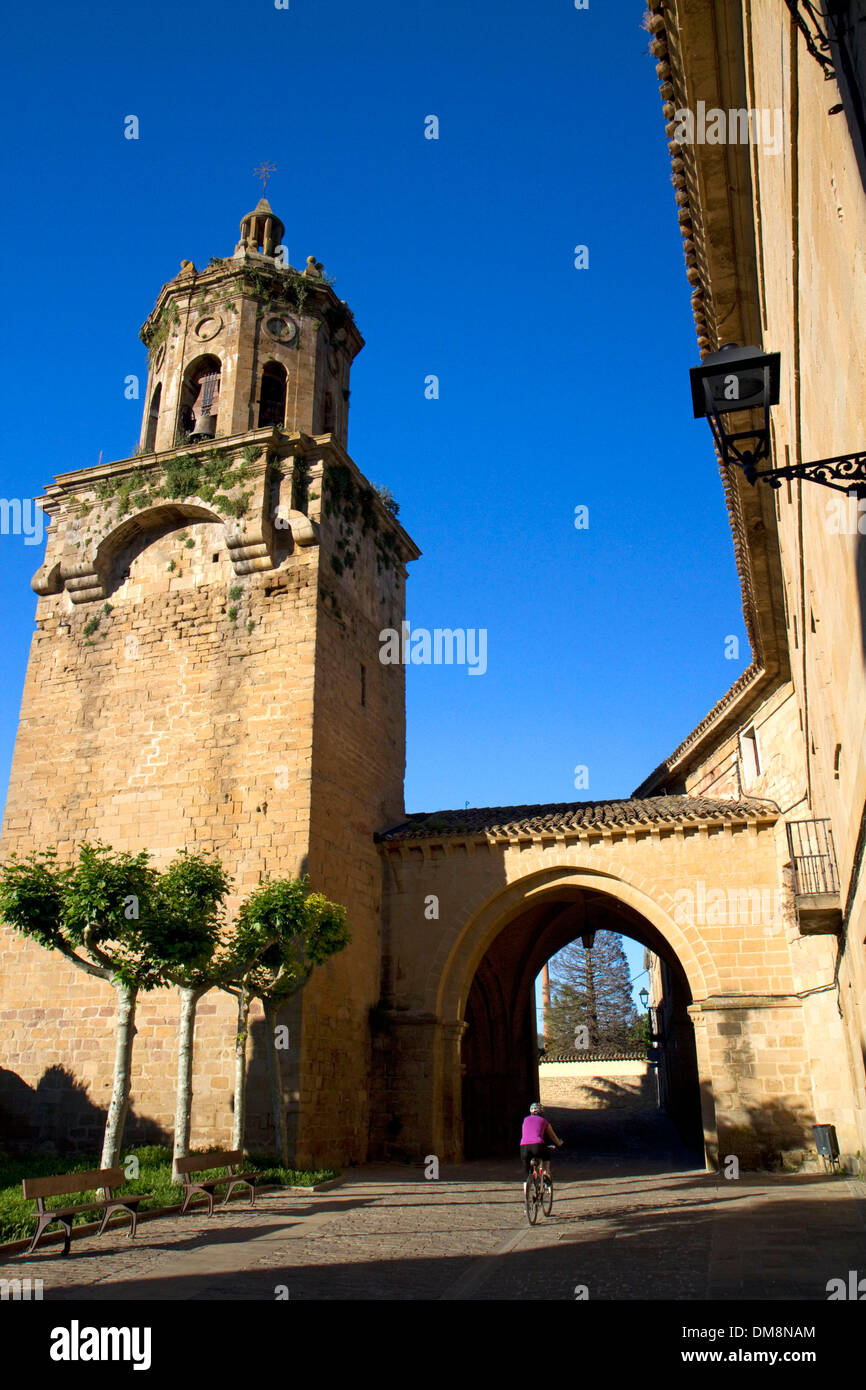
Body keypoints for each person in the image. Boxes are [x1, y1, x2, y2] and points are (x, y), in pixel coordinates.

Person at [519, 1102, 563, 1184]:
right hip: (537, 1145)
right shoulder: (544, 1121)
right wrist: (559, 1143)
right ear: (542, 1112)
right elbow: (553, 1136)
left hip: (523, 1146)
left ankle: (526, 1187)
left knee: (527, 1171)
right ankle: (546, 1173)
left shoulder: (525, 1120)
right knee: (546, 1154)